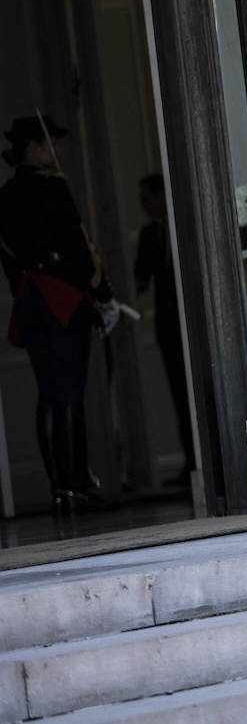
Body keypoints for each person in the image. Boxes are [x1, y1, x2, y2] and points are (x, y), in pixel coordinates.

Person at [0, 114, 114, 514]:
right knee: (67, 394)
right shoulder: (53, 188)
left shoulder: (5, 195)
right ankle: (75, 488)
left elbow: (8, 257)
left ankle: (60, 489)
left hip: (31, 297)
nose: (58, 150)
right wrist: (102, 292)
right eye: (51, 143)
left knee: (48, 395)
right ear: (32, 145)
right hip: (63, 296)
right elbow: (79, 246)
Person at [135, 172, 194, 483]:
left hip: (192, 321)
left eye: (146, 199)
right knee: (178, 393)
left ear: (161, 196)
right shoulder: (149, 236)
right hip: (167, 324)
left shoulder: (186, 223)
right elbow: (140, 278)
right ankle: (190, 461)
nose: (143, 207)